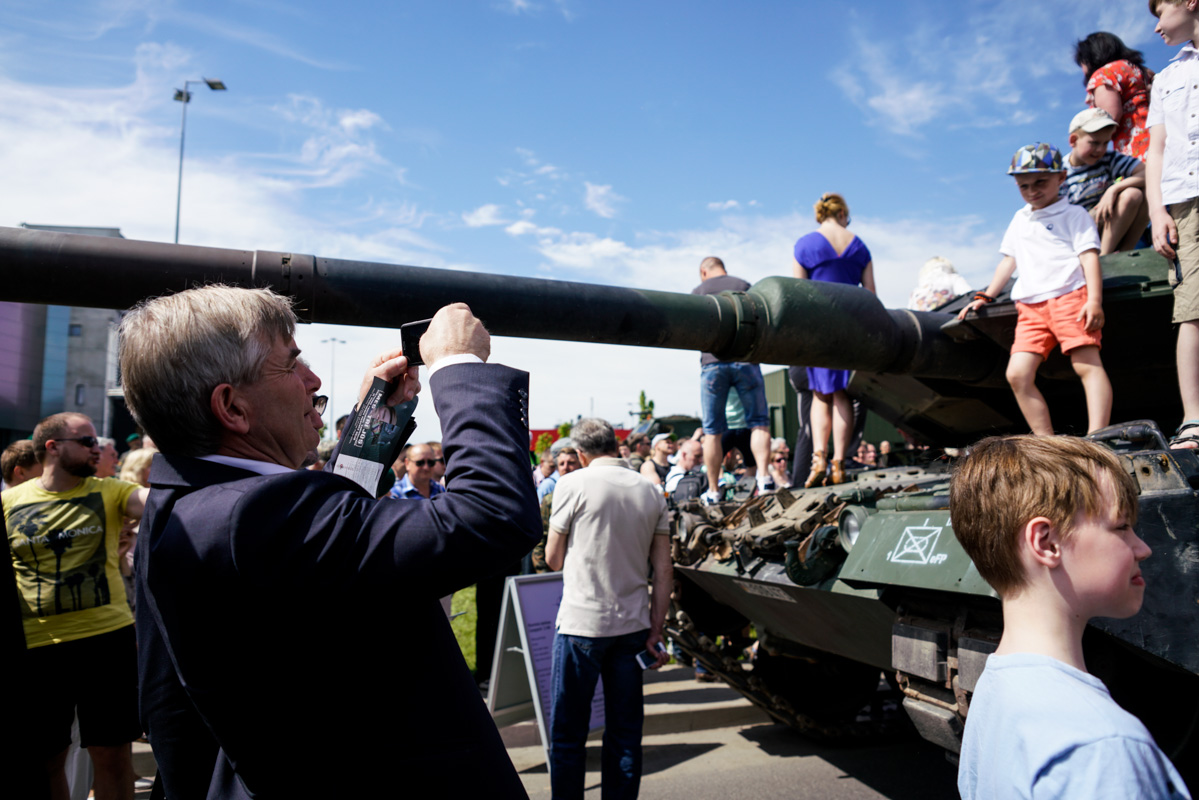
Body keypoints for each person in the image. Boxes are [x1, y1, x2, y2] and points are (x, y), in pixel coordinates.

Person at [121, 285, 539, 798]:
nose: (314, 380)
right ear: (231, 407)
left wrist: (370, 423)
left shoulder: (181, 504)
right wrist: (458, 366)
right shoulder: (251, 515)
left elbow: (327, 547)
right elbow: (491, 516)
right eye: (291, 364)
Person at [949, 435, 1188, 799]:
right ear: (1046, 543)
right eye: (1122, 527)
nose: (1143, 548)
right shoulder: (1103, 747)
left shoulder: (996, 688)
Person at [4, 412, 150, 800]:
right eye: (86, 442)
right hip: (38, 646)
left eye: (96, 442)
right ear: (52, 447)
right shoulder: (10, 502)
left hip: (107, 640)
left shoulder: (110, 491)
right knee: (46, 758)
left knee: (112, 754)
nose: (97, 449)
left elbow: (153, 502)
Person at [545, 418, 672, 800]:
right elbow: (664, 568)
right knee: (625, 734)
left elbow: (552, 559)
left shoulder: (572, 483)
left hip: (583, 623)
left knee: (568, 734)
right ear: (615, 445)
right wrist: (656, 628)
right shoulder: (651, 491)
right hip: (632, 625)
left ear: (581, 453)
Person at [958, 143, 1111, 436]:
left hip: (1069, 297)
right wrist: (985, 294)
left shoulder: (1075, 215)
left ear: (1061, 177)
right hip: (1030, 307)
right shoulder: (1020, 219)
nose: (1032, 191)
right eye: (1023, 185)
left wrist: (1094, 300)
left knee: (1087, 366)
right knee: (1017, 374)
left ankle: (1098, 437)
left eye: (1040, 182)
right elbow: (1009, 261)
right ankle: (1047, 443)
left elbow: (1089, 256)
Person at [793, 193, 876, 487]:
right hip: (851, 326)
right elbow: (870, 294)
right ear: (843, 213)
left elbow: (799, 294)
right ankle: (839, 462)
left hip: (819, 325)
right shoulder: (860, 245)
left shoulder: (805, 244)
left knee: (820, 394)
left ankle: (819, 460)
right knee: (843, 395)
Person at [1147, 0, 1199, 449]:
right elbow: (1157, 150)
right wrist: (1157, 209)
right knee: (1192, 309)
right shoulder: (1166, 79)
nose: (1157, 26)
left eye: (1159, 12)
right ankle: (1195, 421)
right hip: (1185, 202)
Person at [691, 256, 773, 503]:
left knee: (712, 431)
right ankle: (765, 479)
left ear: (703, 272)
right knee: (758, 422)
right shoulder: (743, 285)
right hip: (746, 360)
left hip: (712, 363)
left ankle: (714, 491)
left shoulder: (699, 291)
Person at [1062, 108, 1149, 254]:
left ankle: (1123, 252)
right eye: (1094, 143)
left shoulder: (1108, 160)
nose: (1100, 149)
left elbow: (1148, 173)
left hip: (1108, 224)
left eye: (1105, 143)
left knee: (1137, 193)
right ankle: (1103, 257)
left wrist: (1113, 189)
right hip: (1078, 231)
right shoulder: (1061, 172)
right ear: (1073, 140)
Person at [1074, 32, 1156, 161]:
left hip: (1137, 149)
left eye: (1081, 63)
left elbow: (1109, 117)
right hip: (1161, 138)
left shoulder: (1104, 74)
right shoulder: (1140, 70)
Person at [530, 446, 581, 573]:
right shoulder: (550, 499)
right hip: (556, 570)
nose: (566, 467)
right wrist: (543, 573)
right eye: (562, 464)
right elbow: (541, 538)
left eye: (571, 463)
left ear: (580, 464)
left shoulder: (588, 494)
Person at [907, 256, 972, 312]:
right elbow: (969, 296)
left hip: (922, 323)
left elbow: (909, 314)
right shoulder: (952, 278)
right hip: (947, 321)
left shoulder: (916, 291)